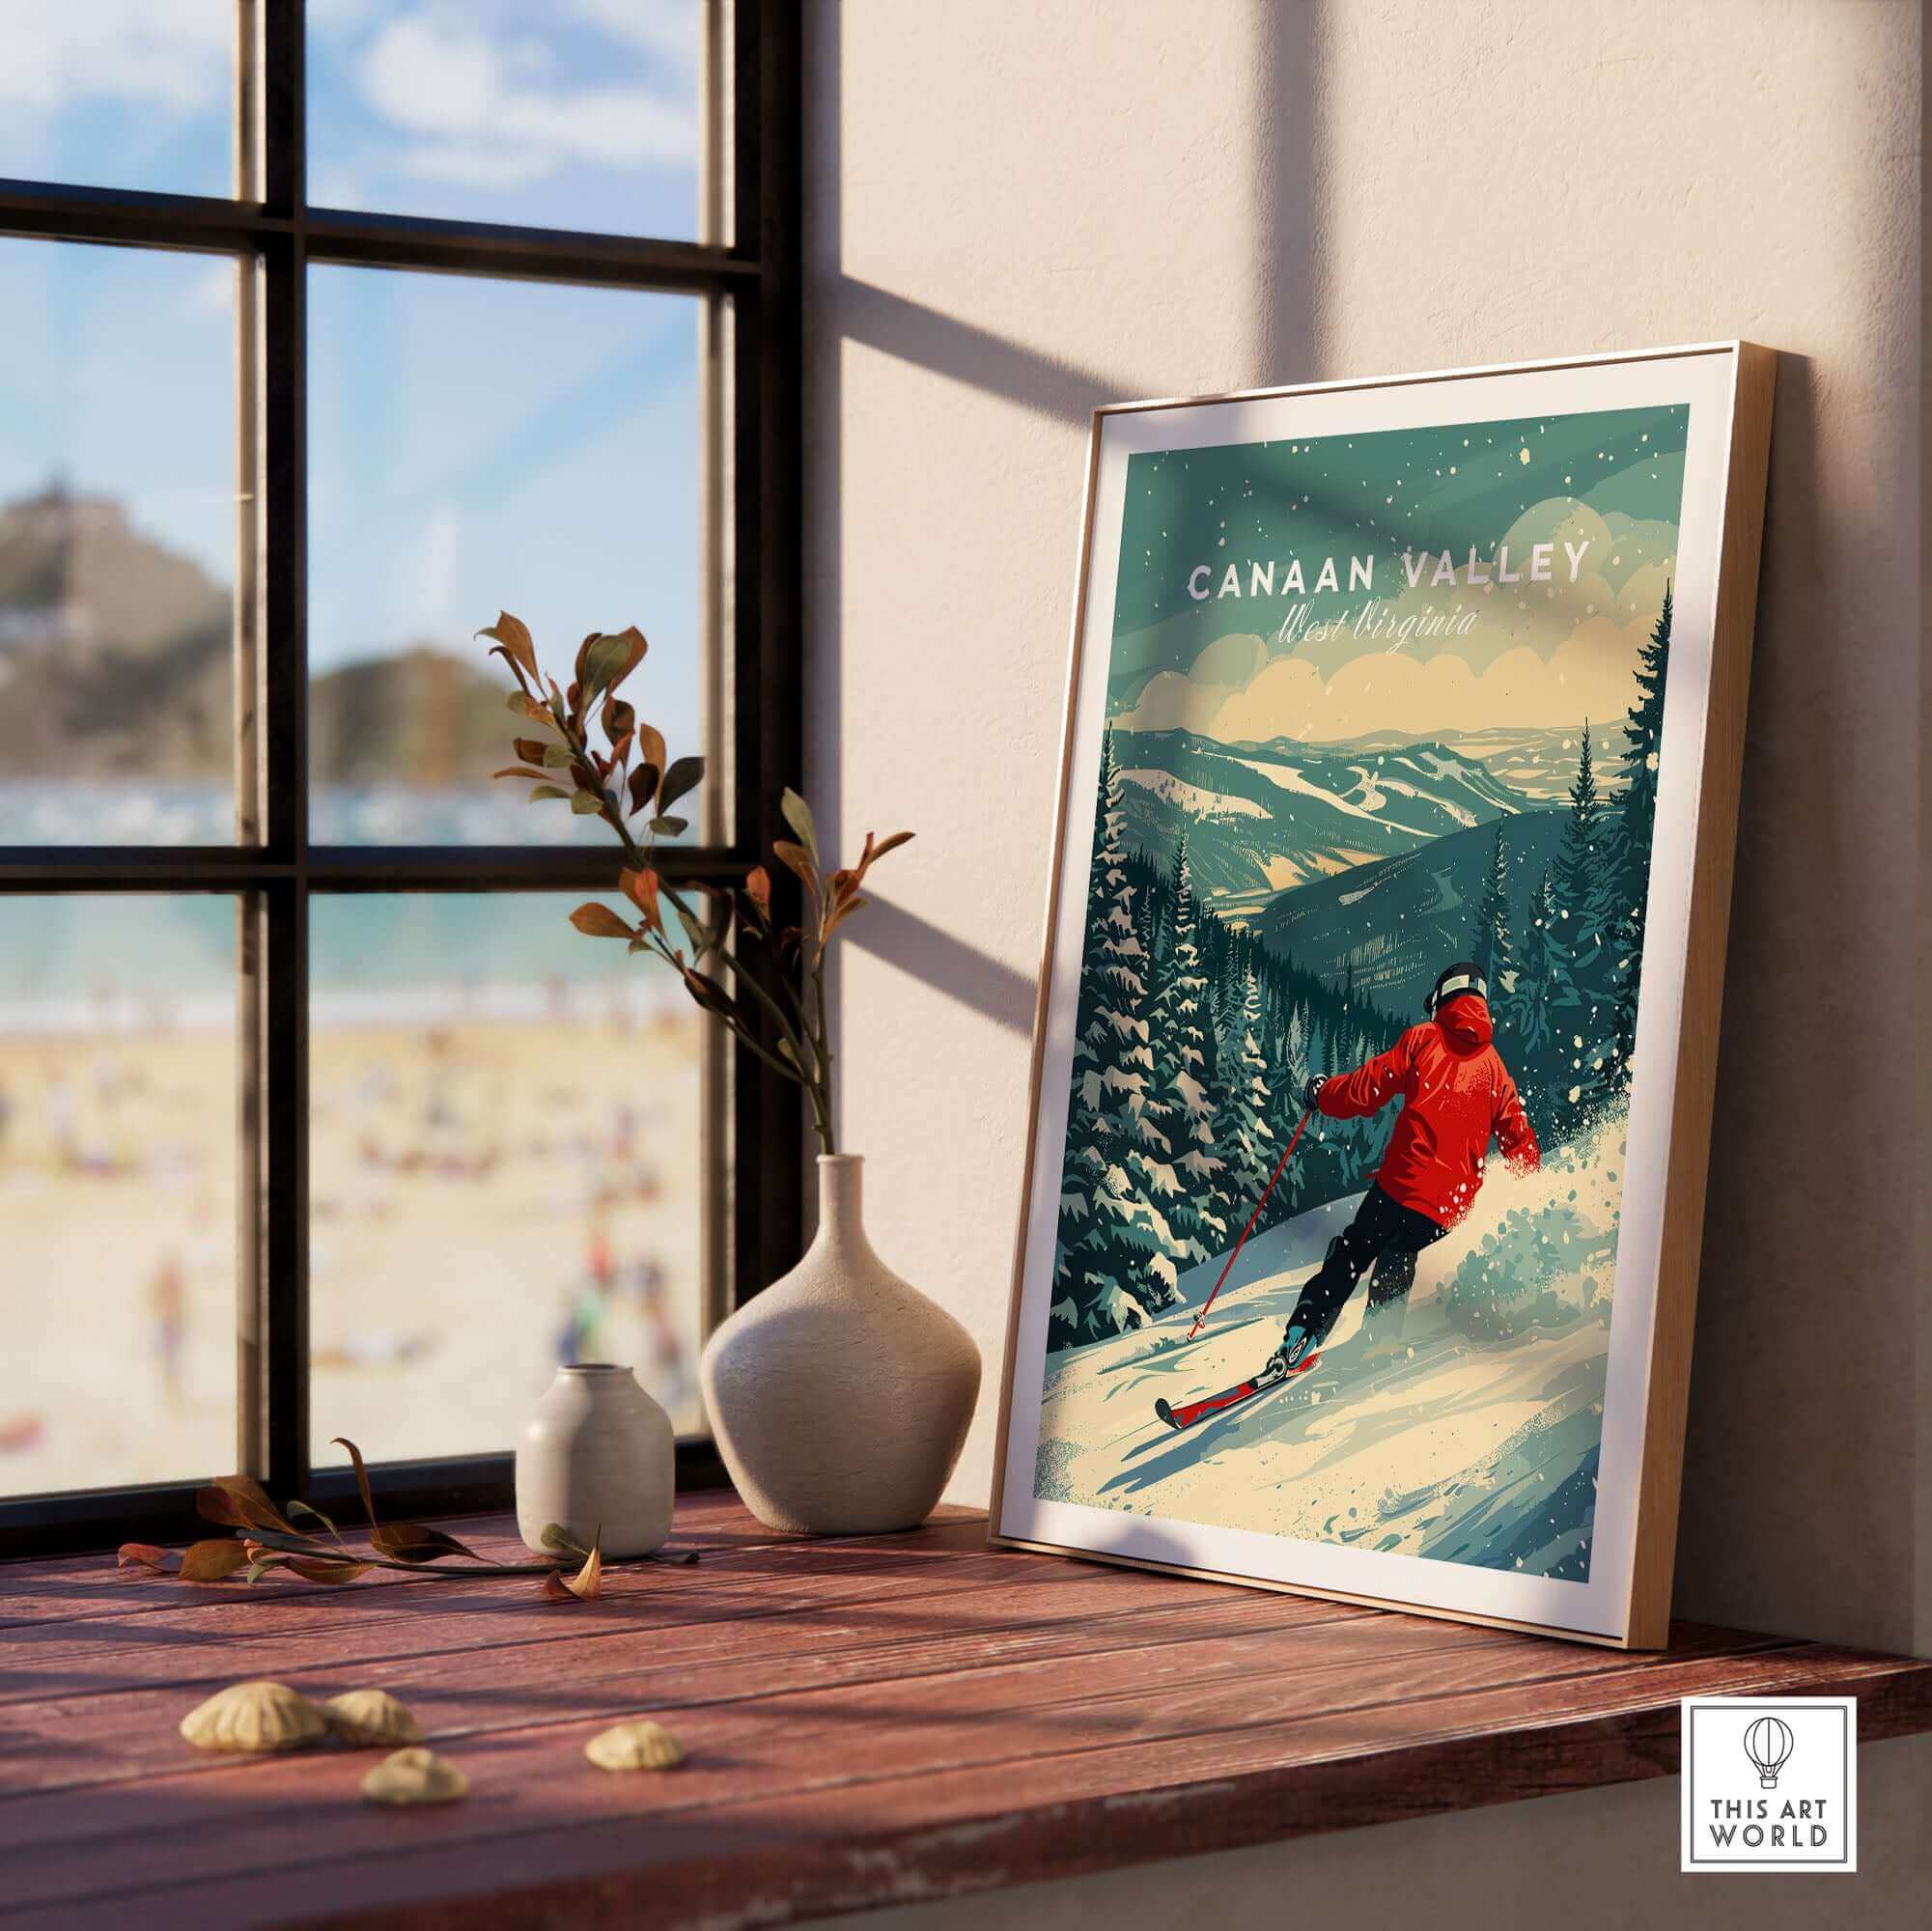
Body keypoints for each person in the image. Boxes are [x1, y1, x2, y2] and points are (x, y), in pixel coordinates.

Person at [1271, 962, 1539, 1373]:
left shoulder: (1424, 1039)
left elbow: (1366, 1089)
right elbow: (1518, 1139)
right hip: (1450, 1205)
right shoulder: (1495, 1070)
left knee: (1353, 1250)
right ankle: (1380, 1344)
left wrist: (1322, 1095)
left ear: (1442, 999)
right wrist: (1532, 1195)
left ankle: (1301, 1334)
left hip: (1402, 1184)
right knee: (1400, 1252)